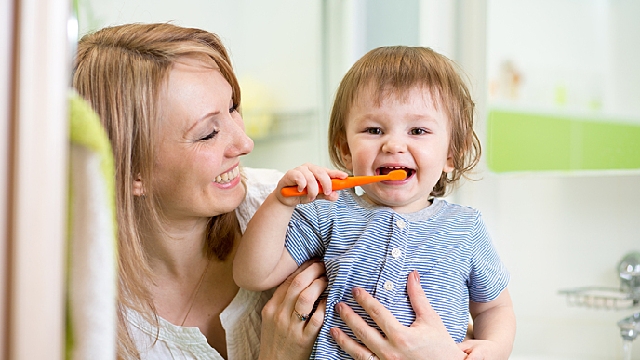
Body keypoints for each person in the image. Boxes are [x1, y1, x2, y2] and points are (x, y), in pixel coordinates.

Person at [73, 23, 471, 360]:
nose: (244, 143)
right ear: (131, 172)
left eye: (233, 108)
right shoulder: (76, 305)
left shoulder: (298, 208)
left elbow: (454, 325)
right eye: (208, 133)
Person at [234, 46, 516, 359]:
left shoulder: (466, 228)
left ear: (451, 153)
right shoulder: (328, 211)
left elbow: (494, 308)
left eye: (418, 130)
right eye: (374, 129)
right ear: (345, 149)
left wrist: (493, 350)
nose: (393, 144)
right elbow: (253, 275)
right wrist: (279, 203)